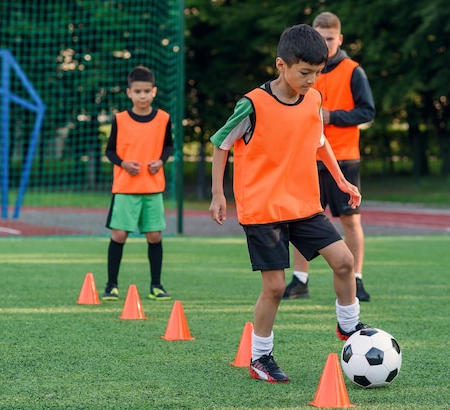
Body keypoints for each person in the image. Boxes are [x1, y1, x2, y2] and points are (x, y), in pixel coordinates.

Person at [209, 24, 369, 383]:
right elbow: (220, 144)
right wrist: (218, 194)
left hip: (303, 204)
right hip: (263, 209)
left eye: (318, 73)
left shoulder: (313, 99)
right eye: (305, 73)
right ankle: (260, 357)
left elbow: (319, 140)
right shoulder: (252, 104)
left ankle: (349, 327)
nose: (313, 80)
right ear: (281, 65)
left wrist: (341, 178)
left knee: (344, 262)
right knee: (276, 288)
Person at [283, 12, 376, 302]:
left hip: (344, 158)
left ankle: (357, 279)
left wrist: (332, 116)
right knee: (301, 219)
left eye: (330, 38)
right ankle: (300, 280)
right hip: (306, 159)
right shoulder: (303, 68)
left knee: (351, 221)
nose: (325, 43)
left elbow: (368, 111)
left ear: (340, 39)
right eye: (320, 38)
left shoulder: (353, 70)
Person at [102, 65, 173, 302]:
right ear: (129, 93)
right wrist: (123, 164)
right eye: (137, 91)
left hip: (152, 188)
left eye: (146, 91)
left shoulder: (164, 118)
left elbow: (168, 147)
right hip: (125, 189)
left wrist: (160, 162)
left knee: (154, 236)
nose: (142, 95)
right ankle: (111, 285)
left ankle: (156, 285)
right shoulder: (120, 119)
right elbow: (110, 151)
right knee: (119, 235)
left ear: (154, 91)